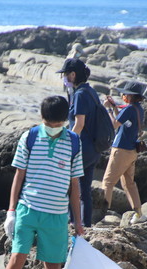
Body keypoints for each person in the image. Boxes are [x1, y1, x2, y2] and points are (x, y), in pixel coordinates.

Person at [1, 96, 85, 269]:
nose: (53, 127)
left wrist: (78, 221)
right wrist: (11, 211)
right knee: (17, 257)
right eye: (49, 122)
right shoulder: (29, 137)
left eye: (58, 123)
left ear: (65, 121)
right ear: (42, 118)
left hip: (57, 216)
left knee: (53, 268)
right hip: (28, 209)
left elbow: (75, 184)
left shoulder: (74, 142)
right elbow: (19, 175)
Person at [58, 58, 101, 227]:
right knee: (85, 190)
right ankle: (85, 224)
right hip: (93, 148)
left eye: (65, 74)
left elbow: (79, 124)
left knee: (71, 187)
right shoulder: (90, 91)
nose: (64, 78)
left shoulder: (80, 95)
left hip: (81, 149)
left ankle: (73, 222)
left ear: (73, 75)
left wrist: (65, 143)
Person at [102, 81, 147, 224]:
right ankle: (139, 214)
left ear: (130, 96)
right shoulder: (138, 109)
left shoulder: (129, 109)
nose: (122, 95)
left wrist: (108, 110)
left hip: (120, 150)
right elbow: (123, 121)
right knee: (129, 183)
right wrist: (115, 107)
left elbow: (113, 125)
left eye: (124, 93)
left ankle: (102, 215)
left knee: (107, 183)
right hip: (132, 151)